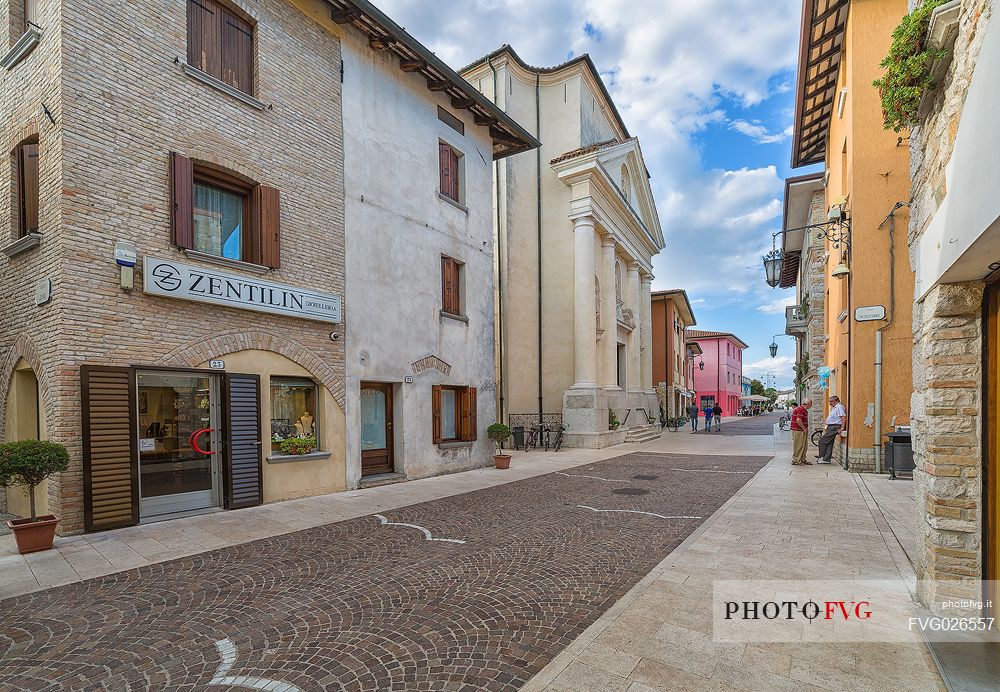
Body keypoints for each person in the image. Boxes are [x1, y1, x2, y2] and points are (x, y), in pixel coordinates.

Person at [817, 395, 847, 464]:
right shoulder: (834, 407)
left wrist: (842, 428)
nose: (830, 403)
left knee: (822, 441)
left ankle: (822, 456)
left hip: (834, 427)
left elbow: (843, 417)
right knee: (829, 443)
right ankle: (826, 459)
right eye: (829, 401)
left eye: (831, 401)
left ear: (836, 401)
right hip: (831, 427)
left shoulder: (839, 407)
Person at [791, 399, 813, 465]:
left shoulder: (802, 409)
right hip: (799, 430)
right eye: (811, 403)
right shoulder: (801, 409)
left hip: (800, 430)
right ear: (807, 404)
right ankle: (796, 460)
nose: (811, 405)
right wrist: (804, 428)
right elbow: (798, 420)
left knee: (804, 445)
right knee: (799, 445)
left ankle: (802, 459)